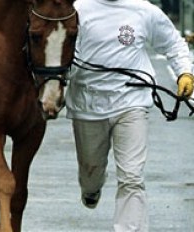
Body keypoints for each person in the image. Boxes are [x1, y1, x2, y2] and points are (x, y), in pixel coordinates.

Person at [65, 0, 193, 231]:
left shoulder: (144, 10)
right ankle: (91, 188)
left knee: (132, 178)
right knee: (90, 174)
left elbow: (174, 44)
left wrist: (185, 72)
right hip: (87, 104)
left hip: (132, 102)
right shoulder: (78, 9)